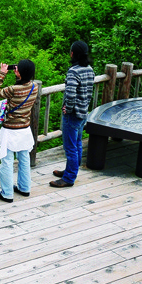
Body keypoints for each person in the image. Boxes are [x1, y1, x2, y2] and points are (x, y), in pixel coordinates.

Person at [0, 59, 40, 202]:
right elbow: (23, 87)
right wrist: (19, 76)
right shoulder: (34, 87)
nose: (15, 69)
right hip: (24, 129)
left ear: (21, 72)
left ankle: (7, 194)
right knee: (24, 158)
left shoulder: (13, 89)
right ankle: (24, 188)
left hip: (10, 130)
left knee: (7, 161)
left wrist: (2, 74)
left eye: (17, 69)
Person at [51, 40, 94, 188]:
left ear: (72, 54)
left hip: (73, 114)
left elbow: (70, 94)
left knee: (70, 147)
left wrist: (67, 109)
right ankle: (71, 170)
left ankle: (69, 178)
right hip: (83, 113)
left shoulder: (74, 71)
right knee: (77, 144)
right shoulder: (89, 69)